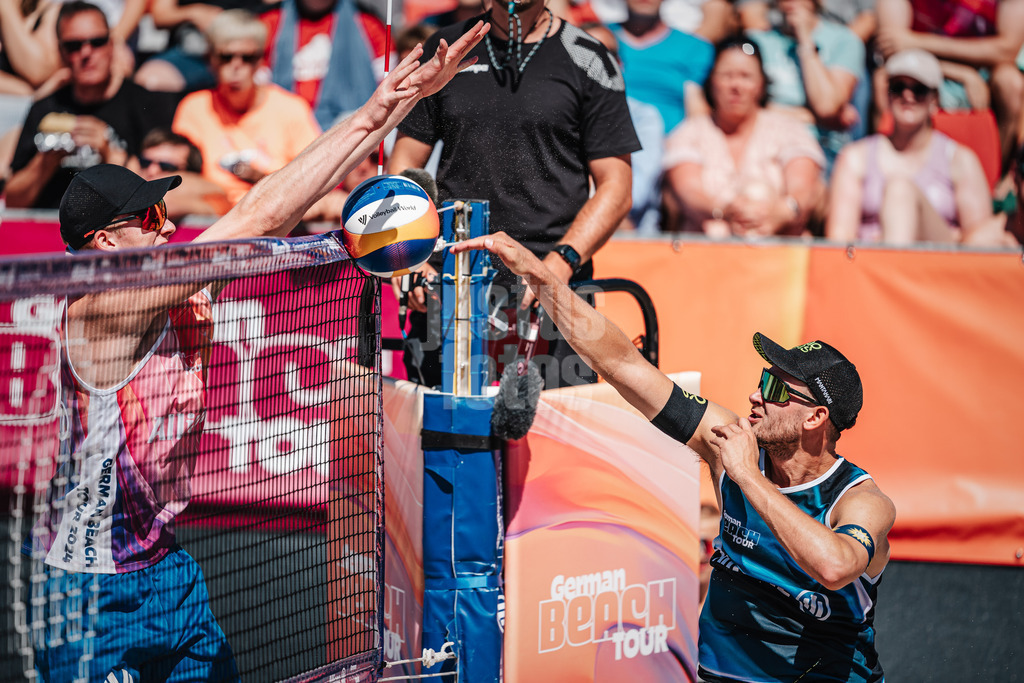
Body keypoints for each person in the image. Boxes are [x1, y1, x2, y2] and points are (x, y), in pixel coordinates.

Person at [31, 20, 489, 682]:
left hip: (163, 565)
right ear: (105, 243)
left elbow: (269, 214)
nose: (169, 230)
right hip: (90, 594)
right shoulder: (102, 309)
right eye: (152, 221)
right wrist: (378, 108)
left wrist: (381, 110)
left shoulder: (168, 289)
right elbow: (255, 218)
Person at [451, 230, 896, 683]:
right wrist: (540, 275)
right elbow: (624, 364)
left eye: (776, 390)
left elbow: (835, 566)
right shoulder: (732, 442)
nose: (755, 396)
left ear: (816, 418)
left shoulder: (860, 501)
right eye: (763, 379)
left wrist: (747, 476)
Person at [389, 0, 639, 389]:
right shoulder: (446, 47)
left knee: (551, 446)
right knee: (442, 439)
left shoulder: (589, 57)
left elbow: (617, 188)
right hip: (450, 288)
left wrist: (558, 265)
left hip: (555, 294)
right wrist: (408, 256)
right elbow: (406, 162)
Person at [6, 1, 176, 209]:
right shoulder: (46, 107)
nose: (86, 53)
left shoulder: (147, 104)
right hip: (50, 231)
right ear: (61, 51)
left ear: (112, 44)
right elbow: (13, 202)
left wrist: (108, 151)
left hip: (119, 232)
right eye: (74, 45)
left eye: (97, 42)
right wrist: (44, 164)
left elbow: (163, 191)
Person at [827, 49, 1001, 245]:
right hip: (869, 265)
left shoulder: (960, 160)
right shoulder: (855, 157)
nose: (907, 96)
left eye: (919, 89)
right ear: (888, 94)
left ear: (934, 98)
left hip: (938, 267)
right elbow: (839, 241)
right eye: (898, 87)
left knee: (900, 190)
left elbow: (980, 244)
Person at [172, 9, 336, 216]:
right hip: (215, 214)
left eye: (247, 58)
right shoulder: (194, 107)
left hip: (278, 212)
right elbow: (181, 177)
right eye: (226, 57)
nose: (236, 66)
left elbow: (314, 178)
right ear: (211, 60)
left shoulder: (291, 107)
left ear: (260, 61)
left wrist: (259, 178)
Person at [662, 37, 825, 236]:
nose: (735, 86)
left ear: (761, 83)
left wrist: (779, 214)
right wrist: (723, 211)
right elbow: (688, 191)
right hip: (707, 251)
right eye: (727, 76)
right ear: (712, 81)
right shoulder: (688, 133)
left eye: (746, 76)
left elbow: (804, 188)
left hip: (781, 247)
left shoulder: (791, 130)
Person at [875, 0, 1024, 182]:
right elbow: (891, 47)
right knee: (884, 80)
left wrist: (917, 42)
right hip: (922, 68)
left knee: (1011, 83)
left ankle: (1000, 183)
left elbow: (1008, 50)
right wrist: (961, 74)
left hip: (984, 72)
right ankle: (885, 173)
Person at [746, 0, 865, 172]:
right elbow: (743, 109)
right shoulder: (756, 41)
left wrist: (805, 40)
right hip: (764, 144)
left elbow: (827, 106)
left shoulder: (845, 41)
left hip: (822, 148)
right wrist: (811, 117)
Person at [260, 0, 389, 130]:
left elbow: (388, 86)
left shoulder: (368, 24)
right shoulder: (270, 22)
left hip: (352, 130)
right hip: (284, 130)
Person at [132, 127, 231, 220]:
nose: (152, 171)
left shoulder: (215, 197)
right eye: (145, 162)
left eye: (166, 166)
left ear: (191, 175)